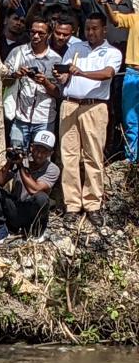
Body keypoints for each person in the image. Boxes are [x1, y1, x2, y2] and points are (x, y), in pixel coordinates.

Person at [58, 13, 122, 225]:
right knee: (69, 156)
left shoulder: (111, 52)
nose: (91, 33)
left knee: (93, 156)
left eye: (95, 28)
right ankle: (72, 204)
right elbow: (66, 71)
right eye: (87, 29)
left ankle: (93, 203)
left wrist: (81, 72)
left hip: (94, 106)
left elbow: (107, 74)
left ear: (104, 29)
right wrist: (62, 75)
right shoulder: (76, 48)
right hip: (70, 104)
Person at [0, 130, 59, 241]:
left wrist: (21, 167)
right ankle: (1, 229)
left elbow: (35, 190)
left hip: (32, 213)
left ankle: (36, 232)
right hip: (16, 207)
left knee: (42, 198)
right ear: (32, 148)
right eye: (37, 150)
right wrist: (10, 162)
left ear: (50, 154)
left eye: (44, 152)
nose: (39, 155)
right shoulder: (23, 160)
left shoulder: (52, 169)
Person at [2, 16, 62, 149]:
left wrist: (45, 83)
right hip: (19, 117)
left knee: (40, 158)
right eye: (32, 32)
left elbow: (59, 93)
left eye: (41, 33)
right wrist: (15, 75)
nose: (36, 36)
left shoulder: (56, 60)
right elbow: (2, 81)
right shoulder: (18, 53)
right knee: (17, 157)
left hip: (44, 118)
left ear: (49, 34)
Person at [106, 1, 139, 161]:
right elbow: (114, 20)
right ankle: (131, 157)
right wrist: (106, 5)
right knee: (130, 117)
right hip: (133, 71)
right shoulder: (135, 19)